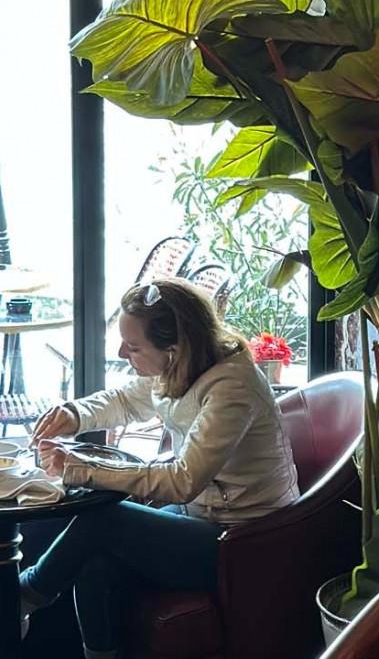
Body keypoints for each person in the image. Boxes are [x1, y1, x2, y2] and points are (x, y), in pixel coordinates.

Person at [19, 278, 300, 659]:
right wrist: (73, 413)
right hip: (202, 517)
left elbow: (184, 480)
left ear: (175, 347)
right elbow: (125, 400)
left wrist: (81, 468)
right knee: (94, 556)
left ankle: (21, 597)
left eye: (133, 347)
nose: (121, 351)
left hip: (246, 541)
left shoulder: (233, 387)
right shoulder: (181, 366)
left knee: (105, 521)